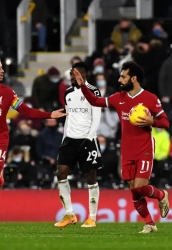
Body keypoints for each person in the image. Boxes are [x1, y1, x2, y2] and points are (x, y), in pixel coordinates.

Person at [73, 61, 170, 234]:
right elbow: (95, 101)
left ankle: (161, 195)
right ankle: (149, 224)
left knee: (140, 187)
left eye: (123, 76)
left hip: (145, 148)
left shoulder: (150, 98)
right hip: (127, 150)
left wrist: (152, 122)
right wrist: (83, 86)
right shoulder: (119, 98)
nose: (119, 79)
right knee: (134, 191)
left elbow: (165, 122)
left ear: (134, 78)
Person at [0, 56, 67, 234]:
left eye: (2, 67)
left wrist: (50, 115)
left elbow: (26, 111)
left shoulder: (7, 93)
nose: (2, 70)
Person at [54, 62, 102, 229]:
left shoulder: (94, 91)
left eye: (73, 74)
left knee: (90, 177)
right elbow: (68, 117)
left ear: (82, 74)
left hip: (87, 138)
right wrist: (64, 138)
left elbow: (96, 116)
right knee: (61, 173)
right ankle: (69, 213)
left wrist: (90, 137)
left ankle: (92, 217)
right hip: (69, 139)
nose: (71, 76)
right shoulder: (68, 93)